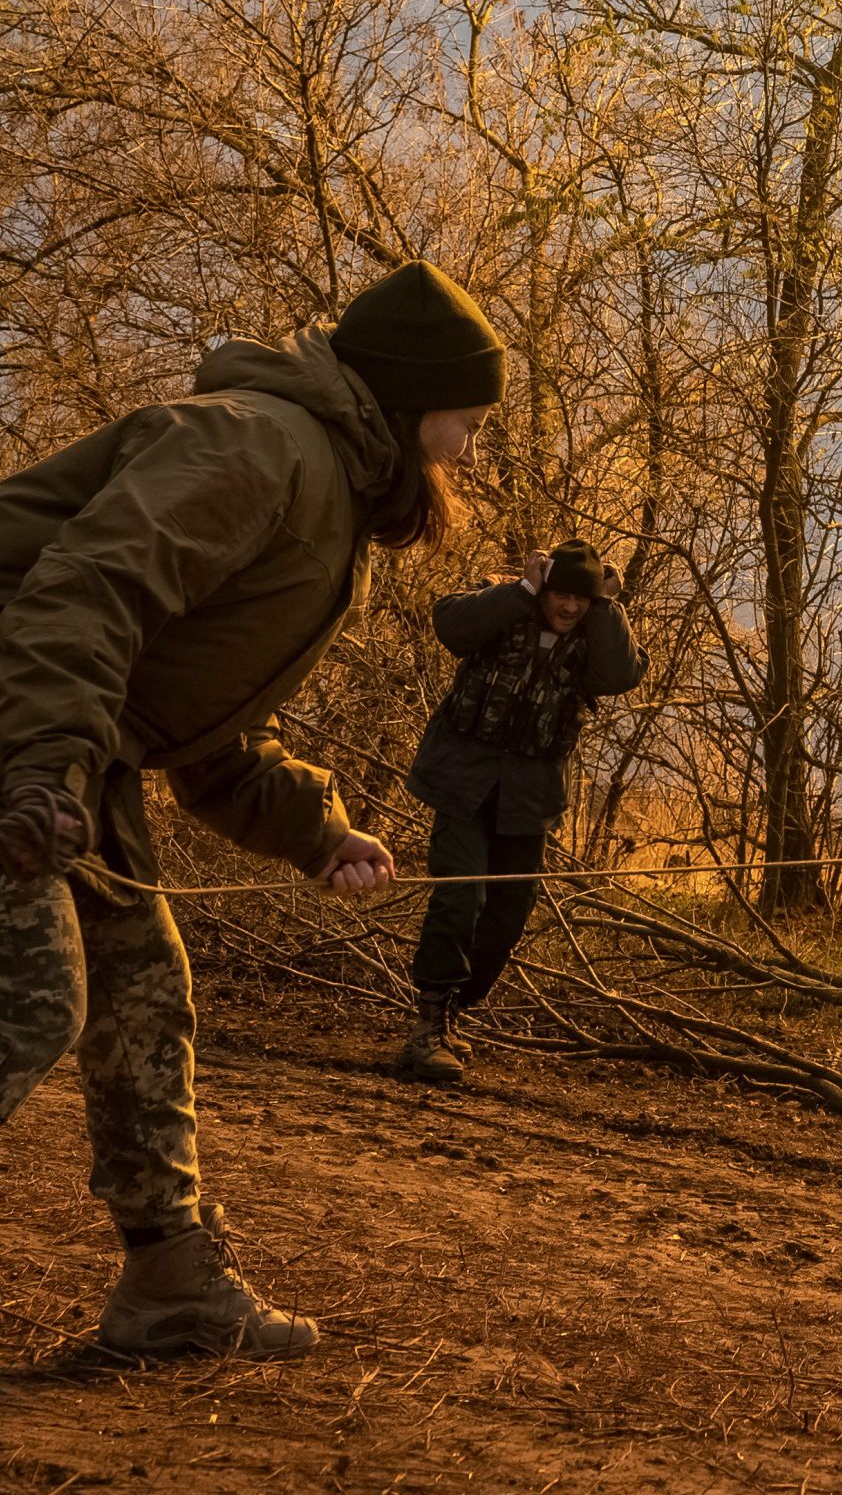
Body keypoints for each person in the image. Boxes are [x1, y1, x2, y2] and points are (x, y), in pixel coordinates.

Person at [0, 261, 505, 1358]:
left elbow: (201, 724)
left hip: (69, 736)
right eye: (465, 419)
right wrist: (42, 769)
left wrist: (314, 831)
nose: (468, 447)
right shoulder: (254, 444)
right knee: (33, 998)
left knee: (138, 989)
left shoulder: (322, 480)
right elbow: (85, 591)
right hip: (28, 714)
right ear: (410, 394)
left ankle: (171, 1285)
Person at [394, 540, 642, 1085]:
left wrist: (607, 607)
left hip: (529, 797)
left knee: (507, 917)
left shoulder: (595, 637)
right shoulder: (503, 607)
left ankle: (454, 1014)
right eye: (561, 594)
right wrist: (523, 589)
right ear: (544, 586)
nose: (569, 607)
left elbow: (622, 675)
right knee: (460, 893)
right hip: (464, 782)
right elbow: (451, 627)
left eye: (582, 599)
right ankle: (427, 1028)